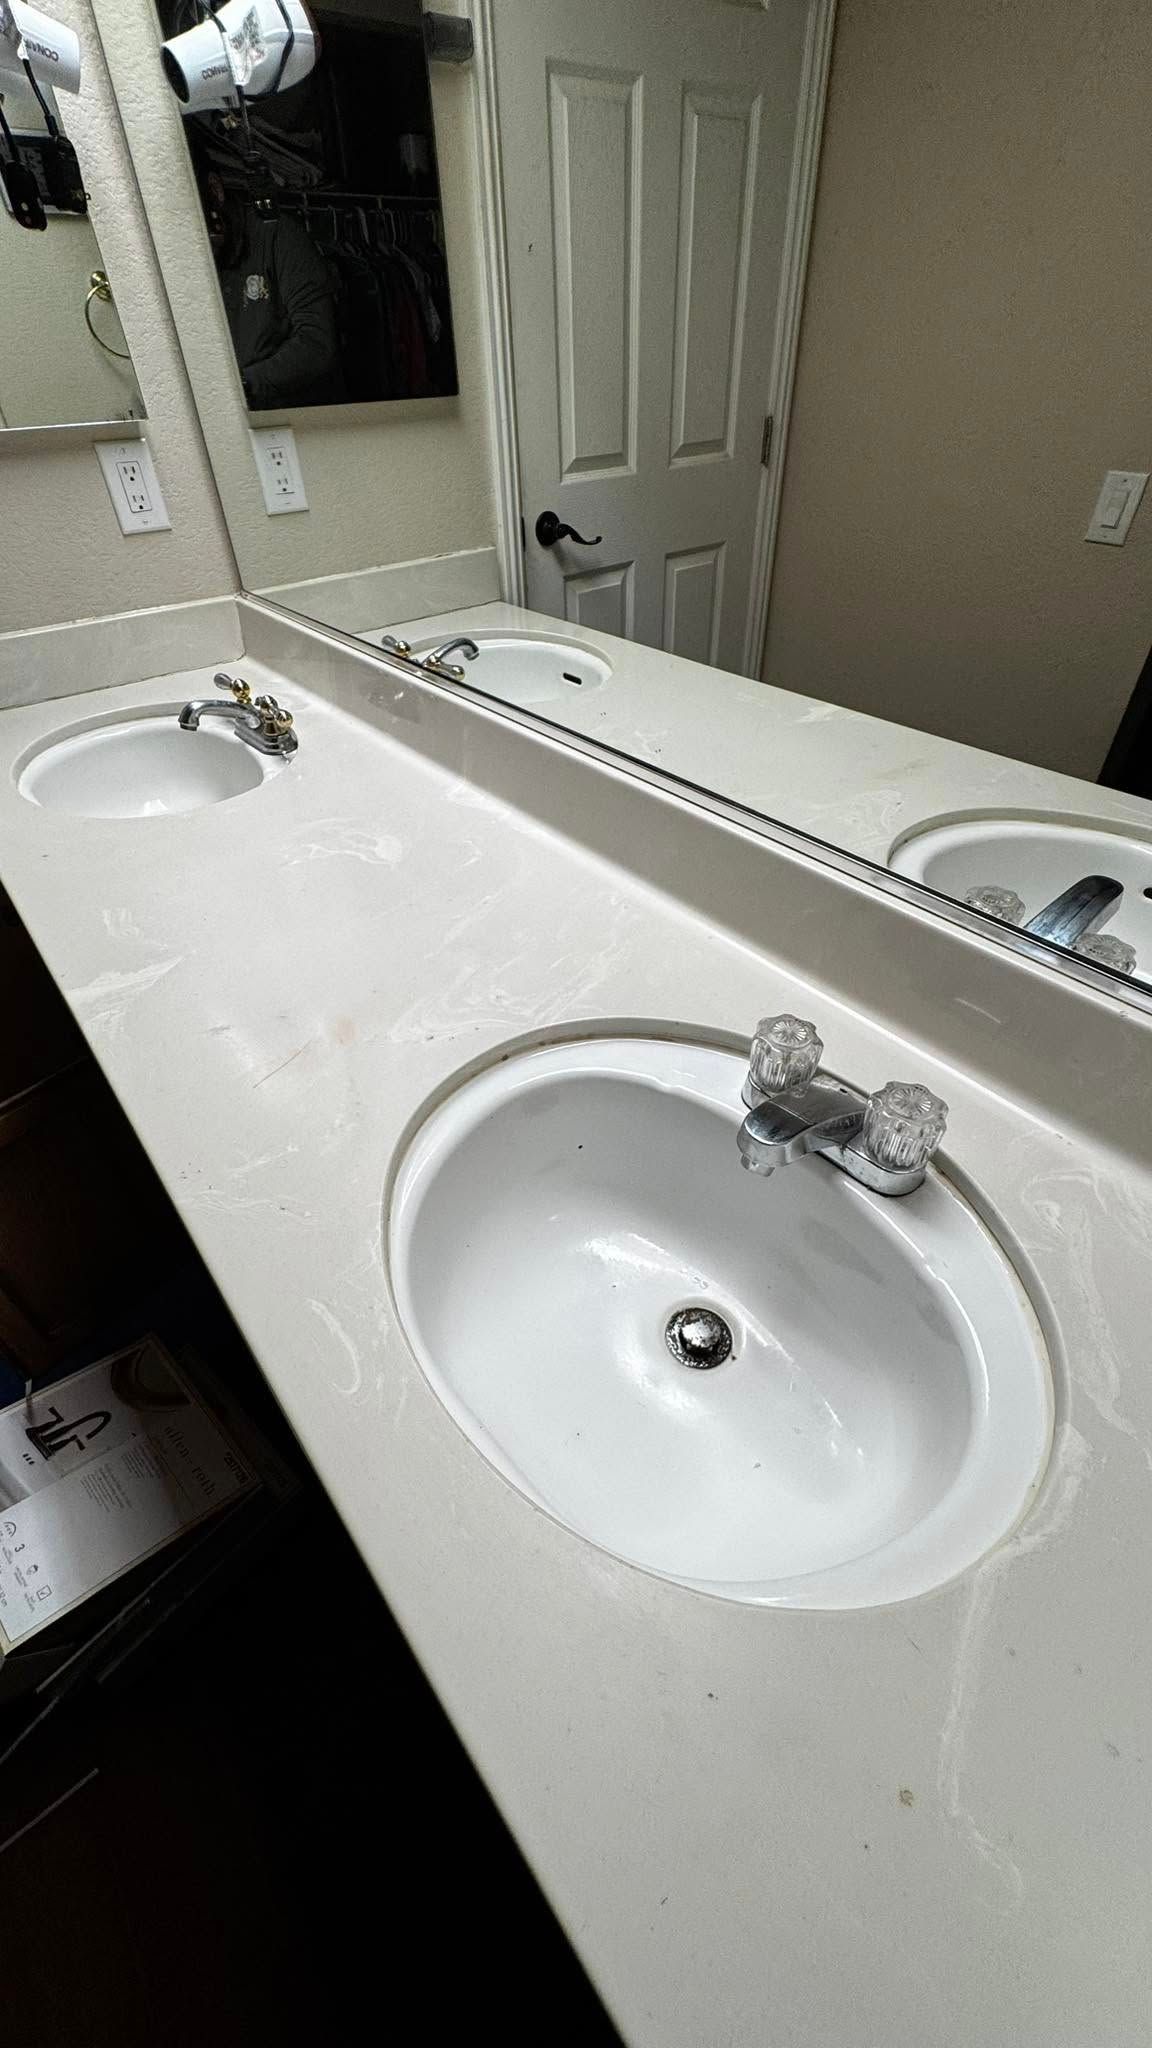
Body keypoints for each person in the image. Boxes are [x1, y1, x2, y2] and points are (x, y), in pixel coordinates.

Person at [203, 173, 341, 409]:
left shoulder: (276, 235)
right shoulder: (188, 256)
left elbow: (317, 343)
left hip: (292, 417)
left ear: (215, 190)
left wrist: (242, 386)